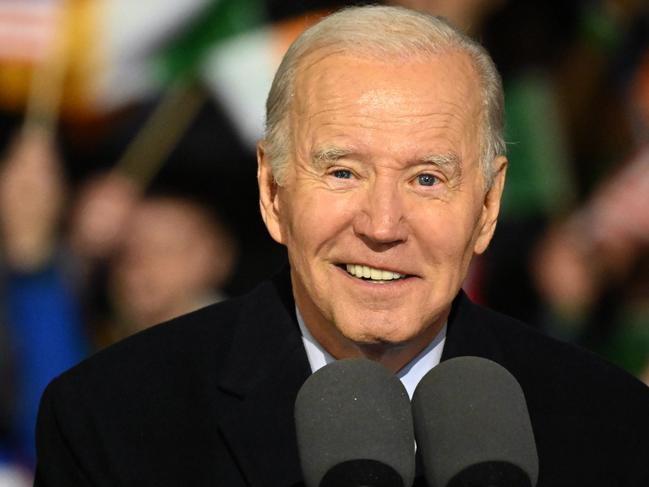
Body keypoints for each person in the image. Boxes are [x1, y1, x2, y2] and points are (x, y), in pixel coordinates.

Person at [34, 5, 649, 486]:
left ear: (487, 207)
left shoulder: (612, 427)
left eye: (427, 179)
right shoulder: (113, 420)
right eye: (343, 172)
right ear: (274, 192)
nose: (382, 224)